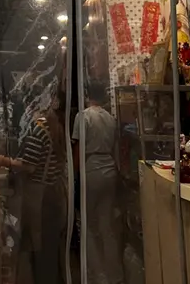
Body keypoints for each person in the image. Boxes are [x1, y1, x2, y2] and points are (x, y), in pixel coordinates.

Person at [0, 94, 67, 284]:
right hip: (54, 192)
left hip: (41, 197)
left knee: (37, 246)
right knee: (49, 247)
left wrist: (4, 161)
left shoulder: (38, 129)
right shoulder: (55, 127)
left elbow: (30, 166)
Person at [73, 84, 123, 284]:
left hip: (91, 170)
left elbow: (78, 149)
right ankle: (115, 274)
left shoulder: (83, 116)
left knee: (86, 223)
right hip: (110, 169)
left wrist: (74, 175)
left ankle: (97, 273)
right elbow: (116, 147)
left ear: (87, 96)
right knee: (106, 225)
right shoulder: (110, 118)